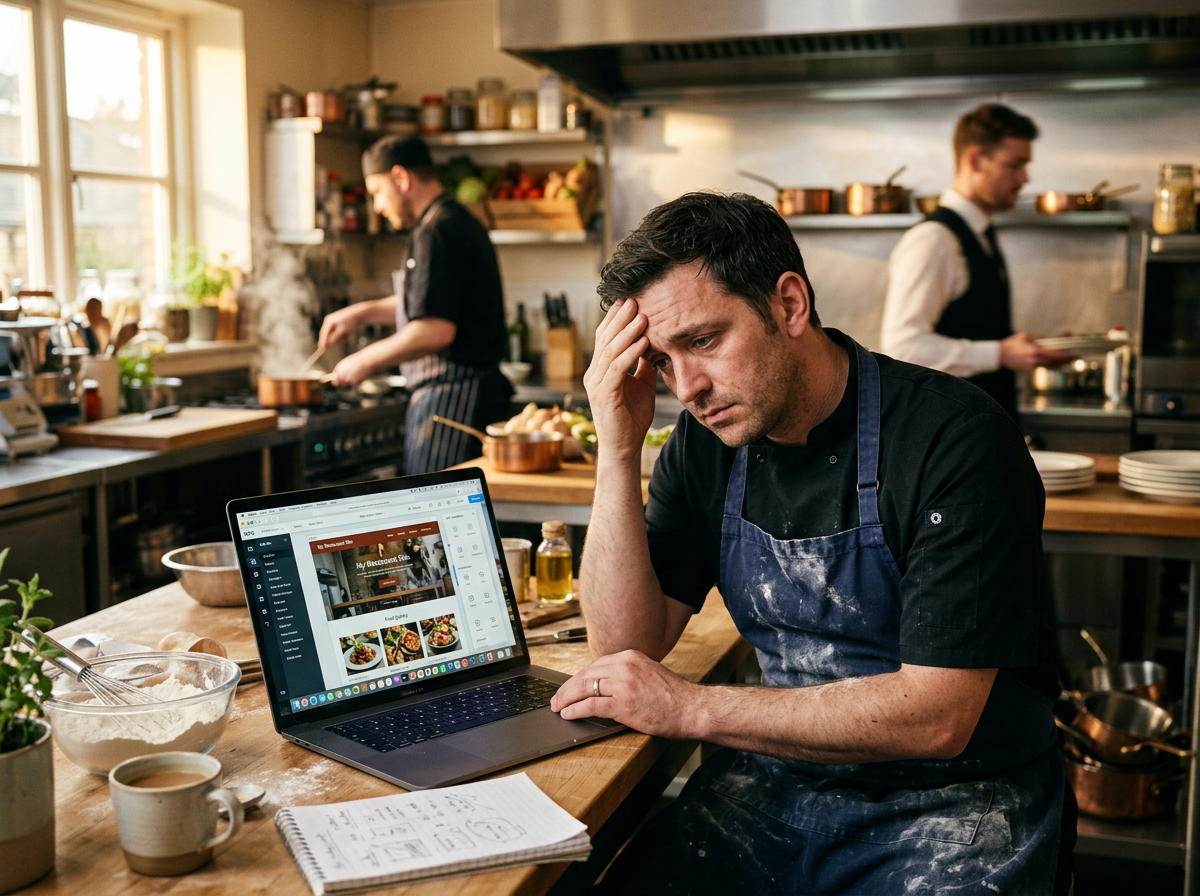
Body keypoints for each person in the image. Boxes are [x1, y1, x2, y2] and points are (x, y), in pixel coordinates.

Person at [552, 192, 1073, 894]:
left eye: (704, 341)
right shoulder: (707, 442)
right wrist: (615, 450)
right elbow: (623, 644)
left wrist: (691, 707)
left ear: (790, 305)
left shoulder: (954, 439)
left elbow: (939, 717)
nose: (689, 388)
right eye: (662, 360)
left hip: (961, 802)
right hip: (778, 781)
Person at [318, 135, 512, 474]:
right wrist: (359, 313)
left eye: (377, 192)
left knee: (435, 518)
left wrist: (365, 360)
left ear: (401, 178)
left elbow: (435, 330)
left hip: (453, 399)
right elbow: (429, 303)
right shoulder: (450, 221)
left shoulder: (437, 231)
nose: (377, 206)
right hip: (463, 395)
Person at [880, 103, 1070, 419]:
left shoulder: (981, 234)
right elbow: (902, 348)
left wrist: (1026, 350)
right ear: (975, 160)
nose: (1025, 178)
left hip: (976, 426)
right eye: (1015, 164)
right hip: (946, 433)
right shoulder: (935, 239)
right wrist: (1001, 353)